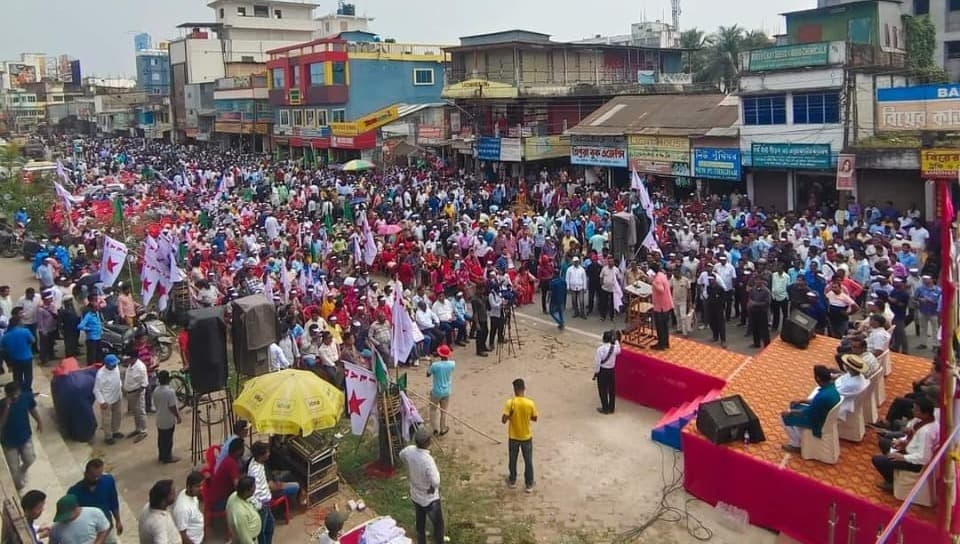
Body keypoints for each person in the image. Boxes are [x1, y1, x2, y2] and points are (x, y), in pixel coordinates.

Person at [872, 397, 938, 492]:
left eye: (916, 409)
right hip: (909, 448)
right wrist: (902, 441)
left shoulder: (926, 432)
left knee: (877, 460)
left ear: (925, 413)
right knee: (883, 443)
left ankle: (891, 482)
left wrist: (902, 457)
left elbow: (924, 457)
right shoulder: (922, 420)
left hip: (915, 462)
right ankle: (891, 465)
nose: (912, 410)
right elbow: (913, 437)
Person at [781, 365, 841, 454]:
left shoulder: (822, 396)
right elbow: (815, 403)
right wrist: (801, 401)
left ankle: (795, 445)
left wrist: (790, 412)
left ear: (818, 378)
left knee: (783, 417)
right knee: (794, 405)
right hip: (823, 415)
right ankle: (799, 435)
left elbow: (807, 412)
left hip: (817, 422)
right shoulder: (831, 387)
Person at [399, 428, 444, 544]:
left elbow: (401, 455)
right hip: (429, 498)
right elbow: (436, 481)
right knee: (438, 525)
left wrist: (409, 469)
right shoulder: (428, 460)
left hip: (415, 494)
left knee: (420, 521)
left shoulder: (409, 450)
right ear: (428, 442)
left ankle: (421, 541)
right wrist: (432, 487)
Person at [66, 459, 122, 543]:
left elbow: (113, 502)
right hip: (88, 535)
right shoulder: (73, 492)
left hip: (107, 529)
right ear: (85, 473)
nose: (96, 478)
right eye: (93, 476)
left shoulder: (108, 481)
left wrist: (118, 521)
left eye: (99, 475)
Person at [0, 381, 41, 490]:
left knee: (30, 459)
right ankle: (19, 486)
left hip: (25, 436)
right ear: (7, 394)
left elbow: (32, 409)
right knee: (14, 468)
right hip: (8, 442)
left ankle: (22, 471)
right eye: (12, 395)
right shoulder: (2, 405)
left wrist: (39, 421)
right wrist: (7, 407)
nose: (15, 397)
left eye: (16, 393)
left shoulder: (25, 398)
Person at [502, 378, 538, 493]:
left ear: (514, 389)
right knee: (528, 461)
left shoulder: (510, 403)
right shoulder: (530, 403)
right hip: (526, 437)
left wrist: (511, 415)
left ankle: (512, 480)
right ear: (524, 388)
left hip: (513, 437)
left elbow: (503, 420)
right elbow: (535, 418)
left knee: (513, 459)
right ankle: (529, 484)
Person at [246, 442, 276, 544]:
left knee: (270, 526)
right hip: (262, 506)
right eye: (267, 452)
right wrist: (260, 505)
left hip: (266, 504)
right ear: (260, 455)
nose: (269, 454)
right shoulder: (254, 471)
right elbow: (253, 492)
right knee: (261, 531)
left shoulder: (258, 463)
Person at [137, 479, 180, 544]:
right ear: (163, 501)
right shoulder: (158, 524)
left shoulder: (148, 506)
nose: (175, 493)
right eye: (172, 493)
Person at [152, 370, 181, 464]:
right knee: (168, 439)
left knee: (161, 438)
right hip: (168, 419)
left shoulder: (156, 390)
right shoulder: (170, 392)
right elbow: (172, 407)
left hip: (159, 418)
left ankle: (162, 455)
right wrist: (178, 416)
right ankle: (168, 457)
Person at [94, 354, 123, 445]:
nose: (115, 366)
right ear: (106, 365)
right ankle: (108, 436)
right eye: (113, 364)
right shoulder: (100, 374)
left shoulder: (116, 368)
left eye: (115, 364)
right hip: (107, 400)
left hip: (117, 396)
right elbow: (96, 390)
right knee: (107, 419)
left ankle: (115, 431)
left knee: (117, 416)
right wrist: (102, 402)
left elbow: (118, 379)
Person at [210, 438, 246, 511]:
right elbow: (237, 485)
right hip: (220, 502)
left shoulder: (229, 459)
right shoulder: (231, 463)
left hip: (219, 498)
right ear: (238, 451)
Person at [1, 315, 35, 392]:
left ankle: (18, 391)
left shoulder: (5, 336)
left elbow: (3, 349)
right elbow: (33, 340)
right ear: (18, 323)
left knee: (17, 377)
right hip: (27, 357)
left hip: (14, 359)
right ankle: (27, 390)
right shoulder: (25, 331)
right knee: (28, 376)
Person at [427, 345, 455, 436]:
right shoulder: (452, 364)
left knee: (433, 410)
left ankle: (434, 429)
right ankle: (443, 428)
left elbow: (428, 374)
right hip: (446, 391)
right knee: (444, 411)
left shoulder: (435, 365)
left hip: (436, 392)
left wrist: (431, 364)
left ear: (439, 355)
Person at [171, 471, 205, 544]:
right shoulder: (183, 509)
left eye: (202, 485)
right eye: (198, 486)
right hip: (194, 541)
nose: (201, 488)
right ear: (189, 487)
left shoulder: (189, 493)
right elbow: (182, 534)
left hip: (199, 536)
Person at [227, 476, 262, 544]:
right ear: (246, 491)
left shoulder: (234, 495)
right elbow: (245, 538)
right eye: (253, 487)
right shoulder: (240, 513)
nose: (255, 489)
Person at [593, 330, 621, 414]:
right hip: (611, 370)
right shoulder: (615, 348)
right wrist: (616, 340)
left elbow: (597, 362)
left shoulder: (600, 349)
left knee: (603, 390)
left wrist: (596, 372)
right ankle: (611, 408)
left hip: (603, 371)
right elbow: (619, 350)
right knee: (612, 390)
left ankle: (605, 408)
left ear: (603, 339)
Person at [122, 354, 148, 442]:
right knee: (135, 412)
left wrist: (137, 394)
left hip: (137, 393)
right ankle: (138, 428)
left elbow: (144, 384)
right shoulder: (130, 365)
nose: (127, 360)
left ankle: (143, 431)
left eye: (128, 358)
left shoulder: (140, 368)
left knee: (140, 412)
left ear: (134, 358)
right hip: (130, 393)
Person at [650, 263, 673, 350]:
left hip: (661, 306)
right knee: (665, 326)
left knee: (660, 326)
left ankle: (661, 344)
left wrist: (652, 282)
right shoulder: (662, 275)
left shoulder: (657, 279)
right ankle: (665, 343)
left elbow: (661, 290)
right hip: (666, 304)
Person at [77, 300, 103, 365]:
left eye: (97, 306)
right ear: (91, 308)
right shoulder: (88, 316)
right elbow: (80, 326)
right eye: (95, 307)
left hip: (98, 337)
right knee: (92, 355)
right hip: (92, 338)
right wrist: (88, 329)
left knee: (99, 354)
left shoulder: (97, 314)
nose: (97, 308)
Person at [669, 268, 692, 336]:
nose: (674, 274)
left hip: (683, 301)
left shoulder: (685, 280)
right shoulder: (672, 280)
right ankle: (679, 329)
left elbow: (689, 291)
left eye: (675, 273)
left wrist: (689, 301)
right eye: (673, 273)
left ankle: (685, 332)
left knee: (683, 317)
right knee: (677, 315)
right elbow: (670, 288)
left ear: (679, 273)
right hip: (675, 300)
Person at [470, 288, 489, 357]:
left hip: (484, 318)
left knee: (486, 332)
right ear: (478, 290)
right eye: (481, 289)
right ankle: (479, 350)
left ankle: (483, 346)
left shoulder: (482, 297)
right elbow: (475, 312)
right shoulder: (474, 299)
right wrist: (477, 323)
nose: (482, 291)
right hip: (479, 319)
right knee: (479, 335)